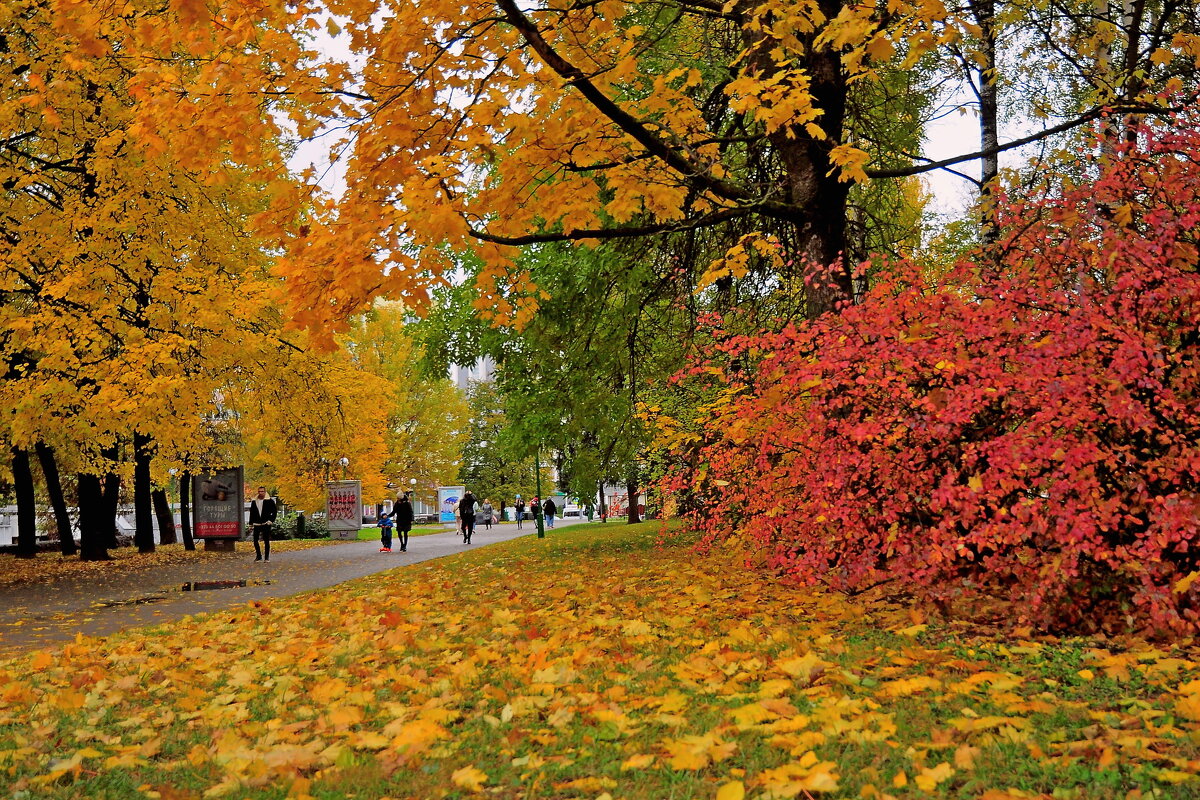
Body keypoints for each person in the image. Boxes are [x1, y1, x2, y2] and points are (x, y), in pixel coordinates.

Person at [249, 486, 277, 562]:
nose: (260, 493)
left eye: (262, 491)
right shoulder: (254, 501)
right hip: (256, 523)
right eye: (259, 491)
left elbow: (274, 512)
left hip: (266, 523)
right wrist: (251, 524)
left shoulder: (270, 501)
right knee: (255, 540)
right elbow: (252, 513)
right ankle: (259, 556)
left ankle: (267, 557)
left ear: (265, 492)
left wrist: (270, 520)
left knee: (266, 540)